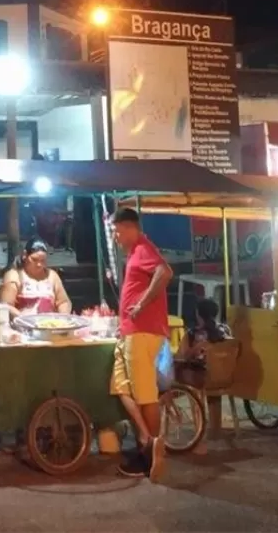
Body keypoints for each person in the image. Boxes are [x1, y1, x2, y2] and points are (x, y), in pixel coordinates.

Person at [109, 206, 171, 482]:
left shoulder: (144, 248)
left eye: (118, 231)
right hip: (129, 332)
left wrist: (142, 303)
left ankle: (151, 454)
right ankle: (146, 440)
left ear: (131, 227)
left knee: (145, 395)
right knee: (120, 388)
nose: (116, 236)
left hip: (143, 332)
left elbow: (165, 272)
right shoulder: (134, 253)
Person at [0, 238, 72, 316]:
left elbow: (63, 302)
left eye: (42, 260)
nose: (39, 264)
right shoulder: (14, 276)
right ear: (25, 255)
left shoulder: (52, 276)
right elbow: (6, 306)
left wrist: (63, 316)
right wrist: (23, 318)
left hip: (49, 323)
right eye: (34, 260)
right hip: (22, 324)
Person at [174, 298, 230, 389]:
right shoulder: (226, 330)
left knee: (174, 368)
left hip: (202, 379)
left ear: (198, 315)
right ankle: (213, 403)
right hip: (225, 376)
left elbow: (182, 357)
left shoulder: (193, 334)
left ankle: (194, 402)